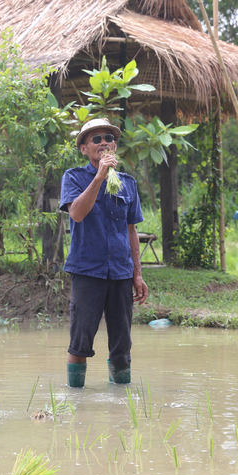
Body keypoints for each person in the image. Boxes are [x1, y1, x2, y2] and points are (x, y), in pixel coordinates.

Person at [60, 118, 149, 388]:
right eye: (96, 139)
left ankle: (122, 402)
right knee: (80, 342)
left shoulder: (128, 183)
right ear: (84, 148)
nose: (104, 143)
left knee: (122, 345)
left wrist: (138, 274)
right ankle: (75, 400)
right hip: (87, 270)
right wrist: (99, 177)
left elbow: (131, 230)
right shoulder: (73, 177)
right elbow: (76, 214)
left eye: (108, 138)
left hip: (121, 272)